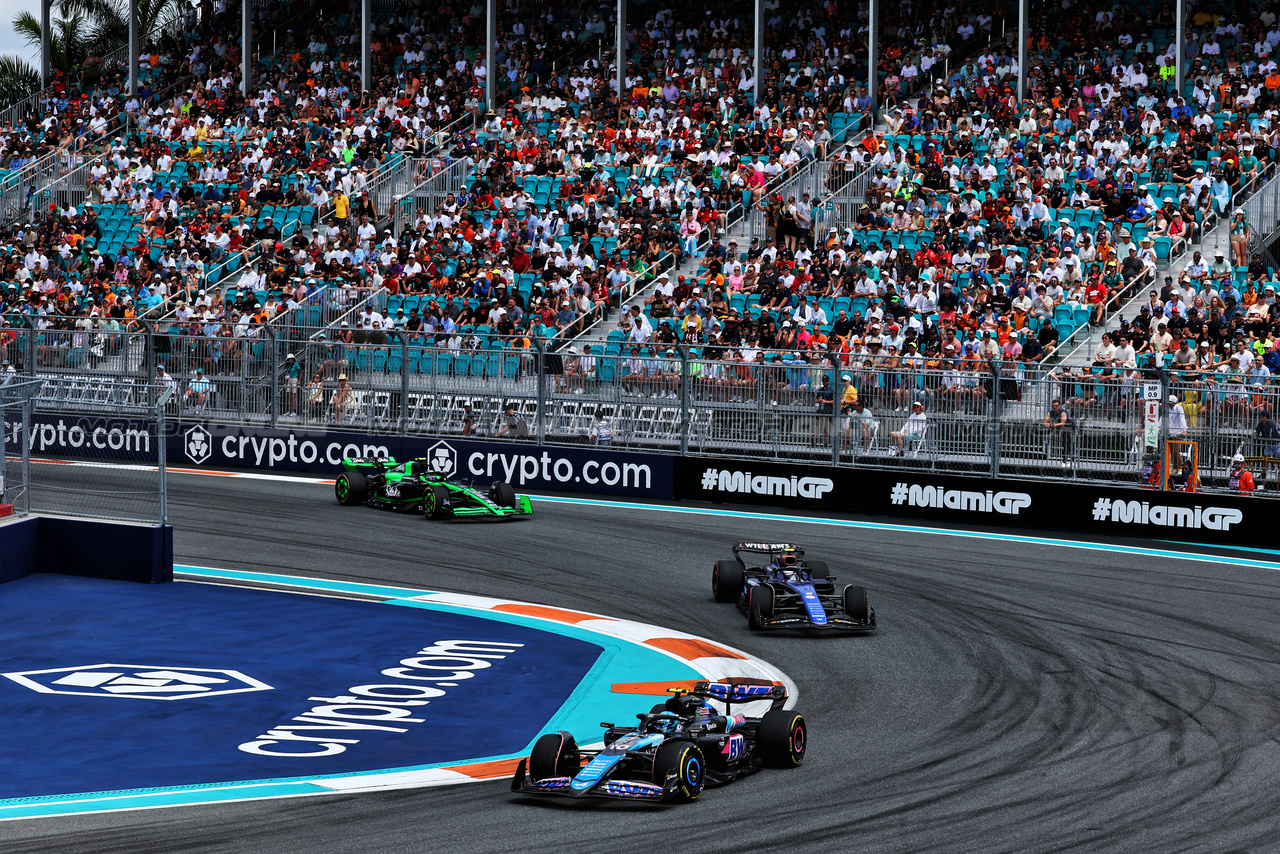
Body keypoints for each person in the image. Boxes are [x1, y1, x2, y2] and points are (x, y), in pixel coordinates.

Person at [1044, 397, 1073, 465]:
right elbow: (1045, 422)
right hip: (1061, 429)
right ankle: (1065, 461)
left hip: (1070, 428)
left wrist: (1052, 425)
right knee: (1064, 444)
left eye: (1056, 406)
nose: (1054, 407)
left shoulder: (1063, 412)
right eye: (1053, 406)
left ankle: (1069, 461)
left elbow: (1063, 423)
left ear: (1059, 406)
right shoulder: (1051, 412)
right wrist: (1047, 424)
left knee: (1068, 444)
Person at [813, 374, 835, 443]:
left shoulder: (831, 390)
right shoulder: (820, 389)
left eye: (825, 381)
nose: (824, 383)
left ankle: (825, 442)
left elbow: (834, 401)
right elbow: (816, 399)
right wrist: (819, 400)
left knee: (826, 427)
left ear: (828, 381)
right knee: (816, 425)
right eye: (823, 381)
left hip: (828, 411)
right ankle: (814, 441)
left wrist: (826, 402)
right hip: (820, 410)